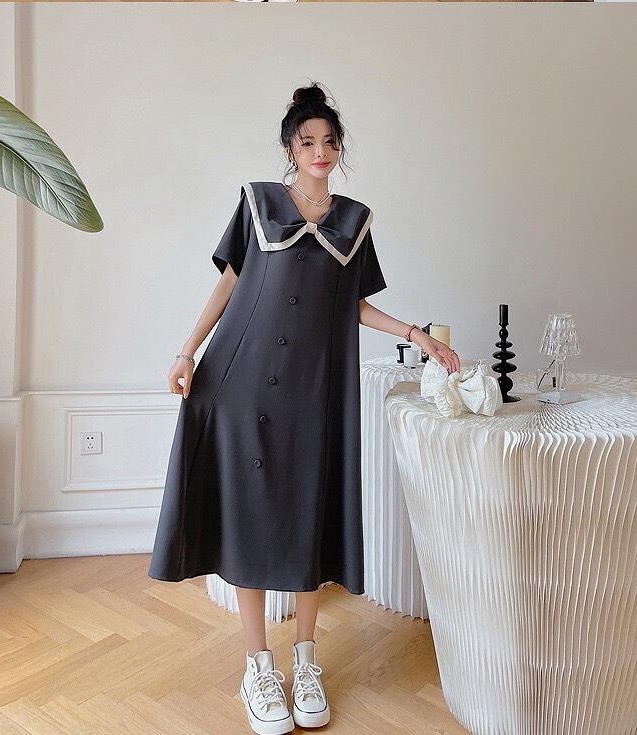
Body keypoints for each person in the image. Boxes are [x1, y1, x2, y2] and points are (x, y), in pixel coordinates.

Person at [148, 82, 460, 735]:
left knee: (305, 519)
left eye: (329, 141)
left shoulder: (354, 222)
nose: (320, 151)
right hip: (243, 385)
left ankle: (306, 660)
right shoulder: (258, 204)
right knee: (252, 520)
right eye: (307, 141)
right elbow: (230, 282)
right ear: (290, 149)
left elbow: (354, 305)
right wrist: (186, 350)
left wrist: (417, 334)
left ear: (339, 149)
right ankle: (258, 666)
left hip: (312, 394)